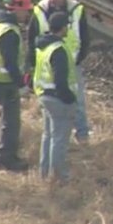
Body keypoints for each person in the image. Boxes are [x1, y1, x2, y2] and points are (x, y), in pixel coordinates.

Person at [30, 0, 91, 142]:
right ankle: (54, 136)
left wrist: (79, 57)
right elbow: (32, 38)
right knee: (50, 101)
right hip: (48, 64)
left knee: (77, 100)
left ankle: (82, 134)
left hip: (72, 62)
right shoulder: (40, 11)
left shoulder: (76, 10)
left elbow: (84, 36)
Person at [0, 0, 33, 171]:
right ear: (16, 9)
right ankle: (6, 159)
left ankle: (5, 155)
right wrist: (21, 84)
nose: (27, 14)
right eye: (25, 10)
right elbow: (10, 62)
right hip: (6, 83)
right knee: (11, 122)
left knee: (6, 119)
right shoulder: (9, 32)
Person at [34, 12, 77, 183]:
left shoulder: (43, 46)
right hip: (59, 99)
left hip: (44, 95)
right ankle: (58, 178)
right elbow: (61, 81)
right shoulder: (58, 50)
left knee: (48, 137)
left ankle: (44, 174)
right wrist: (69, 99)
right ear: (63, 28)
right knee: (59, 140)